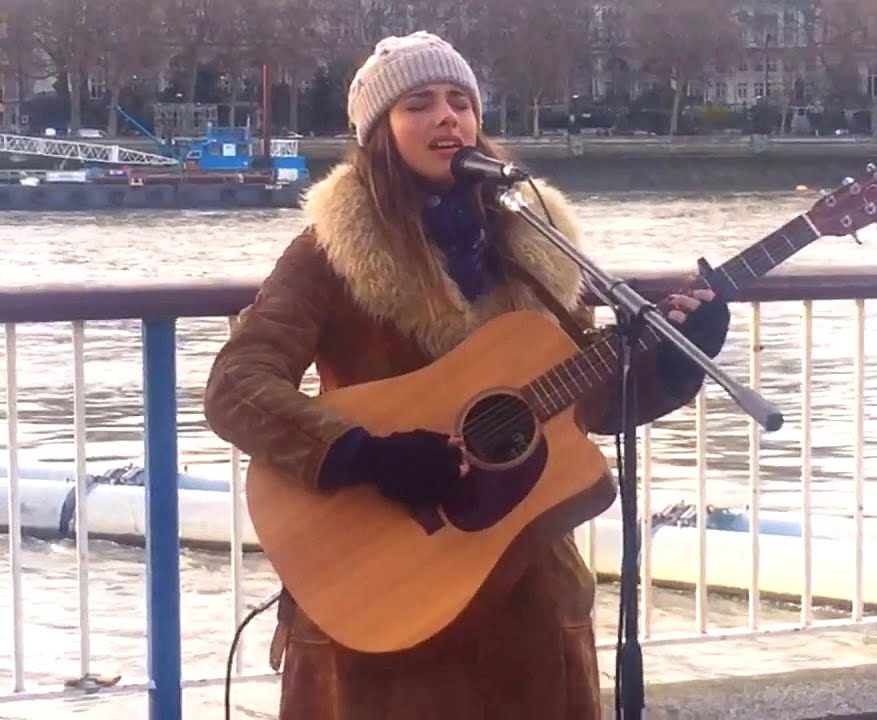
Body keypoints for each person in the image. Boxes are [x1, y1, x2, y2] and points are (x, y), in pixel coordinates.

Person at [202, 31, 730, 720]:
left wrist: (673, 361)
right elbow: (236, 387)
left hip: (527, 596)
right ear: (379, 133)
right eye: (418, 104)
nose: (448, 117)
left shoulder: (533, 244)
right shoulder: (329, 252)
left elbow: (586, 404)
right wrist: (363, 455)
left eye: (461, 102)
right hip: (382, 591)